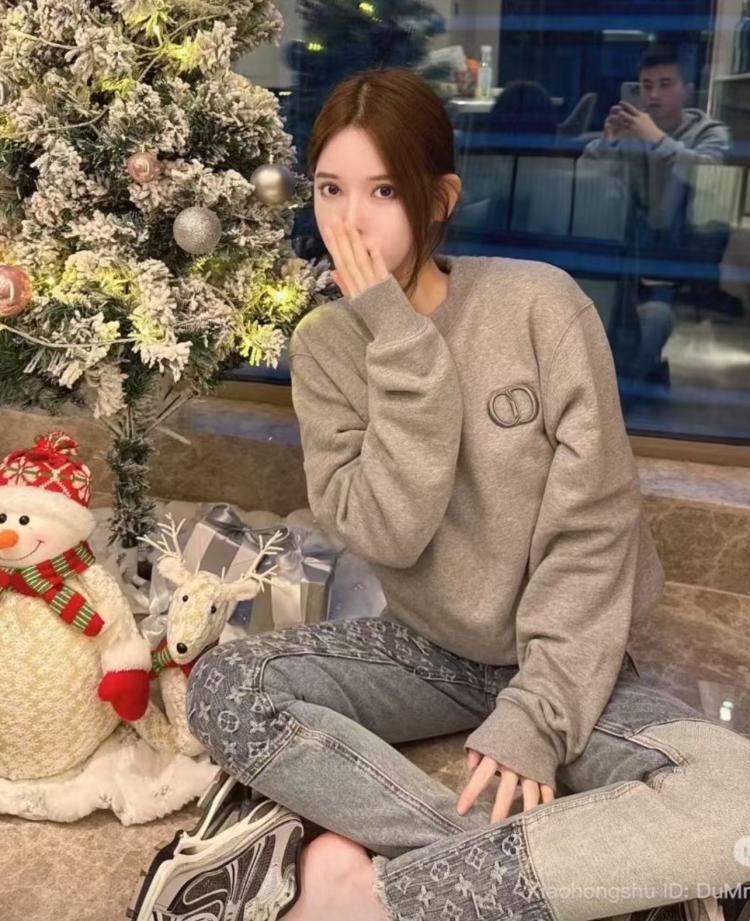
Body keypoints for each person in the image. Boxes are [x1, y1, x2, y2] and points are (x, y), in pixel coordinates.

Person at [186, 67, 750, 921]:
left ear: (439, 198)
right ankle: (505, 878)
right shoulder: (327, 345)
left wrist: (540, 711)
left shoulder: (539, 306)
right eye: (331, 188)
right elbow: (390, 531)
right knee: (225, 683)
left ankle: (380, 897)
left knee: (734, 797)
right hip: (426, 649)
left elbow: (595, 528)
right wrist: (396, 337)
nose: (350, 219)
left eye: (382, 190)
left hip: (568, 656)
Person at [583, 47, 731, 383]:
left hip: (681, 242)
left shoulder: (709, 131)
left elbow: (713, 175)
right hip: (629, 247)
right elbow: (585, 180)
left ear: (687, 89)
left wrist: (657, 139)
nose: (653, 95)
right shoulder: (631, 129)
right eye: (646, 85)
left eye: (665, 84)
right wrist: (607, 143)